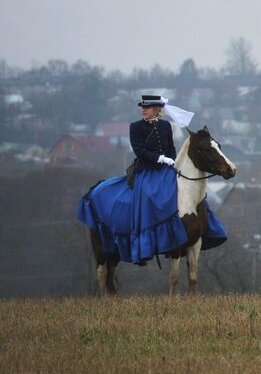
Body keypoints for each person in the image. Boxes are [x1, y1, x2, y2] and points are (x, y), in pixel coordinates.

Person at [77, 95, 226, 264]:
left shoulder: (166, 126)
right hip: (146, 170)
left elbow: (170, 148)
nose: (143, 110)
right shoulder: (135, 127)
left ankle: (200, 225)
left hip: (166, 169)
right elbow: (140, 151)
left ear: (156, 110)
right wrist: (159, 158)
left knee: (188, 192)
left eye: (146, 108)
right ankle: (146, 239)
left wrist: (171, 160)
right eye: (142, 108)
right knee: (148, 194)